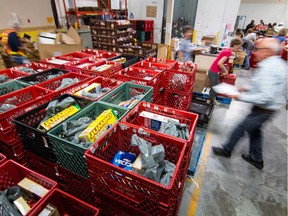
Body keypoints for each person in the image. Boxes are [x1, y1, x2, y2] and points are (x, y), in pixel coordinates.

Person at [212, 38, 287, 170]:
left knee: (241, 128)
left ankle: (227, 150)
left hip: (264, 109)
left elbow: (265, 96)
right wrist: (245, 88)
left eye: (257, 49)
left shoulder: (269, 67)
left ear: (268, 51)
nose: (254, 52)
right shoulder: (277, 63)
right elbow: (264, 86)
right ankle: (256, 158)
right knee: (255, 131)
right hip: (269, 108)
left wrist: (239, 96)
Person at [208, 38, 243, 105]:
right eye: (238, 47)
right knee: (215, 87)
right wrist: (225, 70)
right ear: (235, 45)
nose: (238, 49)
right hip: (214, 71)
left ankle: (212, 100)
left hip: (215, 71)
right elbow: (220, 63)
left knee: (216, 86)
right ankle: (208, 103)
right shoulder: (228, 52)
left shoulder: (227, 50)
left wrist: (221, 71)